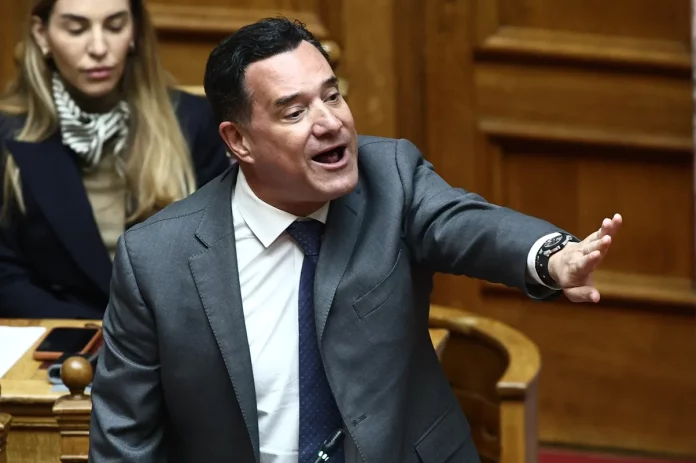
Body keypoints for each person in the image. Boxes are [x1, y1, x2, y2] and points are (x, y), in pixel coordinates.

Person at [88, 17, 623, 463]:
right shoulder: (157, 260)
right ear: (238, 140)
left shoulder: (390, 177)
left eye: (332, 96)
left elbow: (467, 224)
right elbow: (125, 439)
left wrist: (552, 256)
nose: (330, 123)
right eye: (295, 112)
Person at [0, 0, 229, 319]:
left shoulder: (194, 121)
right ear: (41, 34)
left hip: (170, 330)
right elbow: (6, 275)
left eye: (114, 26)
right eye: (76, 29)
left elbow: (219, 252)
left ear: (134, 31)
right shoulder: (7, 133)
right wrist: (97, 334)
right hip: (62, 334)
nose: (98, 48)